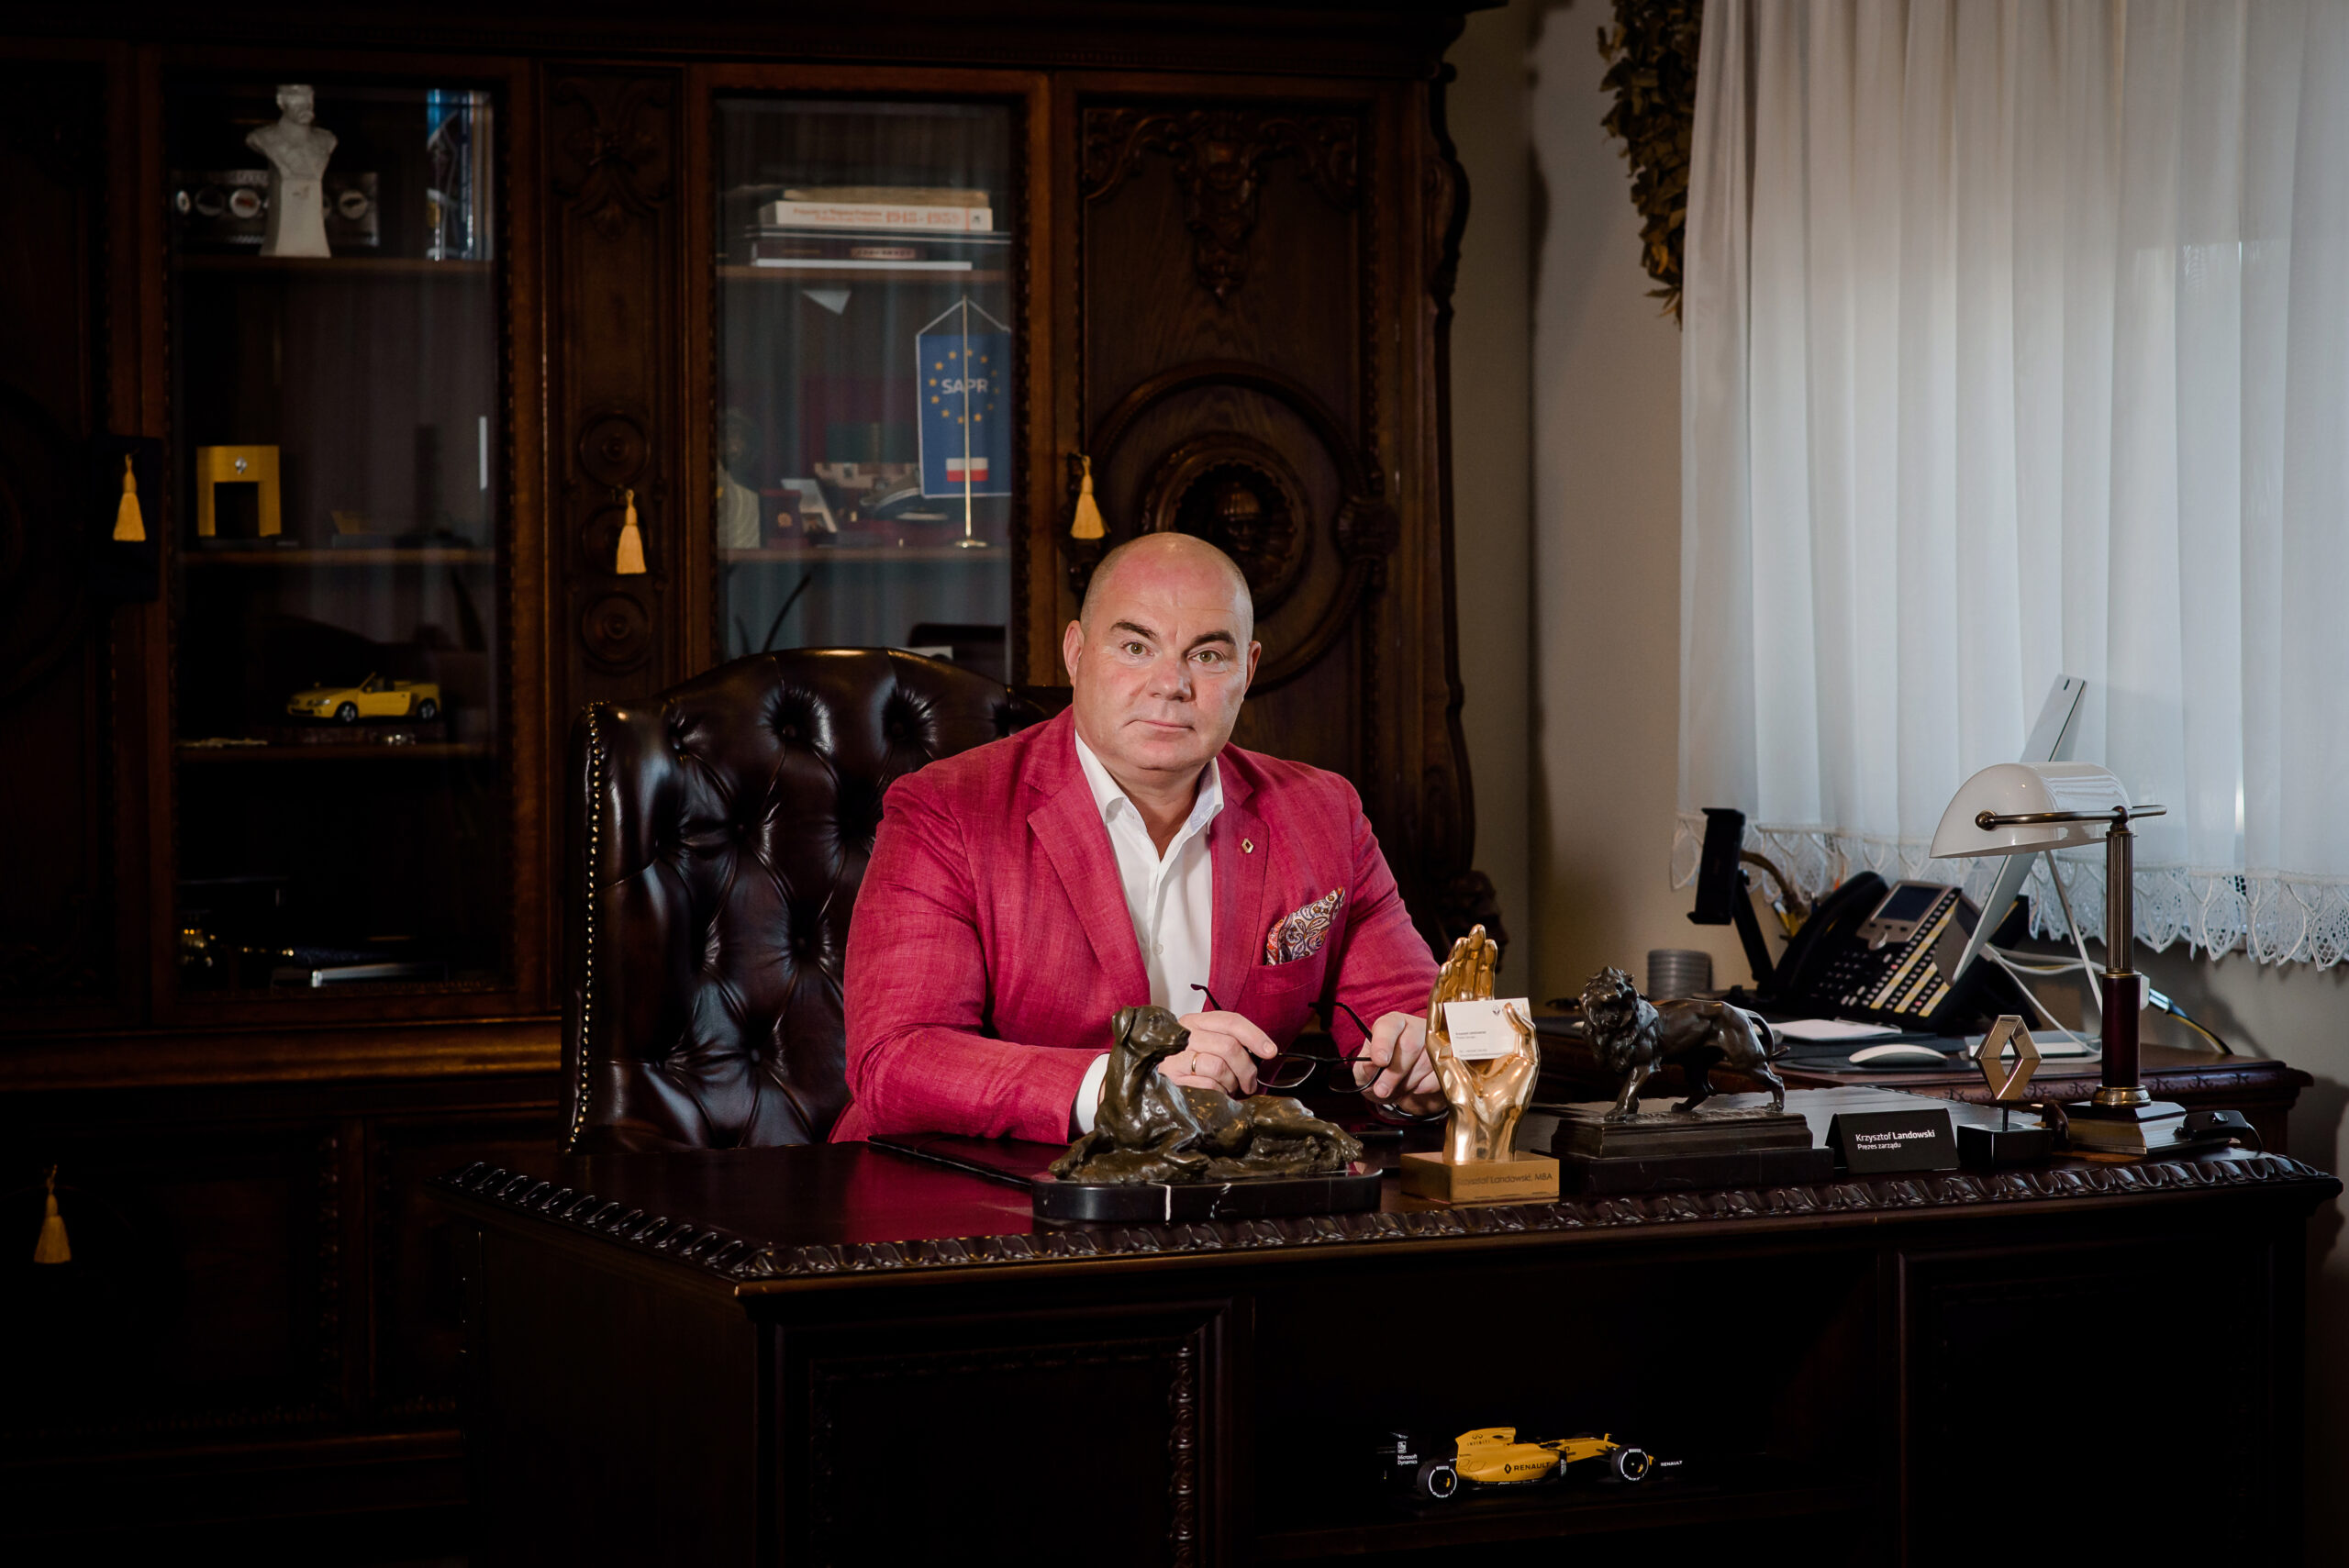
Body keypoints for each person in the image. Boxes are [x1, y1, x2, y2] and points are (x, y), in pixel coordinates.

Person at [835, 532, 1444, 1144]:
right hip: (969, 1189)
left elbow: (1413, 1018)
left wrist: (1419, 1070)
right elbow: (898, 1059)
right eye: (1135, 647)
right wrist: (1121, 1085)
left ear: (1249, 669)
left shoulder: (1322, 814)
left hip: (1221, 1192)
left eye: (1208, 655)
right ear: (1076, 653)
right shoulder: (947, 809)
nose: (1171, 683)